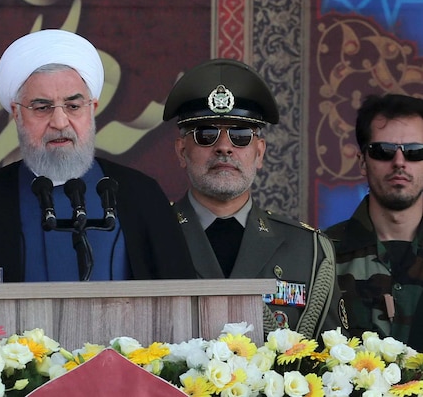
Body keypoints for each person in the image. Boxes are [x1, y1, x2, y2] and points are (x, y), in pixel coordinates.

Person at [0, 29, 197, 283]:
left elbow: (180, 304)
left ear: (92, 108)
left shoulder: (140, 196)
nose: (60, 122)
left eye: (73, 106)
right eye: (42, 107)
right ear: (16, 113)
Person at [163, 58, 346, 339]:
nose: (224, 147)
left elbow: (333, 365)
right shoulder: (147, 237)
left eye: (240, 135)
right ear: (181, 152)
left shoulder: (308, 250)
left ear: (259, 152)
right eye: (206, 134)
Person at [324, 94, 423, 350]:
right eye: (383, 151)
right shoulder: (321, 255)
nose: (399, 162)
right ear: (362, 162)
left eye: (415, 152)